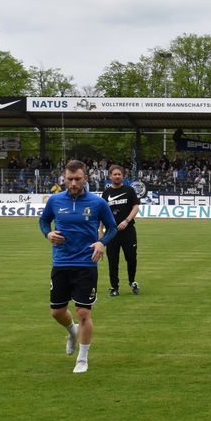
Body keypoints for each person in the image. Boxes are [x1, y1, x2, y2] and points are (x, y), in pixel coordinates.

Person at [39, 160, 118, 374]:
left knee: (84, 312)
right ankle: (72, 331)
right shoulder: (55, 200)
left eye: (77, 179)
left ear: (86, 178)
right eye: (69, 179)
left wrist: (102, 242)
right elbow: (44, 221)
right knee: (57, 312)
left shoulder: (97, 203)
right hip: (61, 262)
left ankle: (82, 359)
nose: (73, 183)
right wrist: (48, 233)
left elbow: (112, 228)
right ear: (64, 178)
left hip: (86, 263)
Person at [100, 165, 140, 297]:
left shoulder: (129, 190)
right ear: (110, 176)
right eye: (114, 174)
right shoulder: (106, 193)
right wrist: (100, 231)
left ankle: (132, 281)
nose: (117, 176)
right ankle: (114, 287)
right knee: (113, 260)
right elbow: (101, 213)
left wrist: (126, 221)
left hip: (128, 231)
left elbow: (136, 207)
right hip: (111, 232)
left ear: (123, 176)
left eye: (119, 174)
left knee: (131, 258)